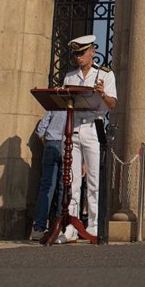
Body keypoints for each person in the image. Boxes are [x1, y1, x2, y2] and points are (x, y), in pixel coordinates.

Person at [57, 35, 117, 243]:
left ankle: (93, 226)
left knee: (93, 180)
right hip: (73, 128)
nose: (79, 57)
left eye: (82, 53)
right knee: (71, 181)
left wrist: (101, 94)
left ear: (92, 51)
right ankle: (71, 228)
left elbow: (112, 104)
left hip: (93, 126)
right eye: (76, 54)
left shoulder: (105, 74)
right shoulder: (70, 77)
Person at [30, 111, 67, 241]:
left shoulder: (54, 106)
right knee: (63, 187)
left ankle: (38, 227)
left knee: (46, 186)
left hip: (50, 143)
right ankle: (58, 227)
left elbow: (40, 129)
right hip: (66, 143)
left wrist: (47, 144)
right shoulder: (74, 106)